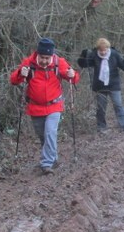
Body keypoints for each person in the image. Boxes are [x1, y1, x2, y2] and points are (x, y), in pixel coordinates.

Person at [10, 37, 80, 175]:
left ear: (52, 56)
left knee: (50, 132)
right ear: (38, 54)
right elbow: (14, 80)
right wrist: (20, 73)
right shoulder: (29, 63)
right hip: (35, 107)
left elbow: (73, 78)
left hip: (54, 105)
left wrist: (73, 75)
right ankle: (53, 158)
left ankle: (46, 164)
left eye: (47, 58)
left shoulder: (59, 63)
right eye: (42, 57)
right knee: (43, 136)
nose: (44, 61)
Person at [77, 37, 124, 133]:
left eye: (105, 50)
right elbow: (84, 64)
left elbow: (123, 65)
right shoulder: (94, 55)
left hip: (114, 84)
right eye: (100, 50)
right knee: (101, 108)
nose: (103, 52)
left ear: (108, 48)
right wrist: (83, 56)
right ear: (98, 49)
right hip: (100, 86)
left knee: (118, 105)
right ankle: (101, 126)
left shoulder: (114, 54)